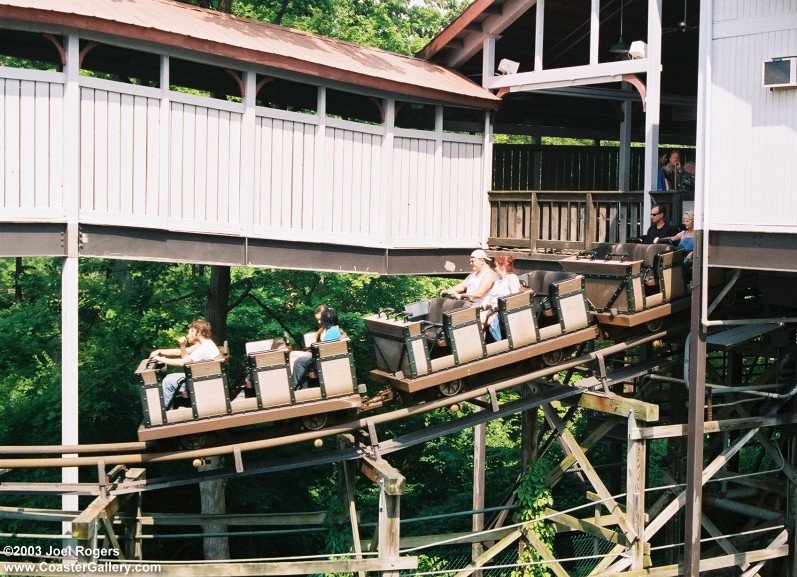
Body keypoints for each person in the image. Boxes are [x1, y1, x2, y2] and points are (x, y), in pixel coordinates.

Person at [149, 319, 221, 409]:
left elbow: (183, 362)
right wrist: (181, 346)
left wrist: (160, 359)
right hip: (203, 377)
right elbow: (185, 356)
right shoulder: (205, 344)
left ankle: (166, 412)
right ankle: (167, 408)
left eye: (191, 332)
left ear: (198, 332)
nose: (188, 335)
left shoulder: (204, 347)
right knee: (169, 377)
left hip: (202, 381)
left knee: (168, 382)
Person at [292, 307, 342, 390]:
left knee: (299, 362)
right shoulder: (333, 329)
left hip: (324, 360)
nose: (320, 322)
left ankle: (298, 388)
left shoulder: (331, 332)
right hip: (323, 357)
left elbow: (324, 350)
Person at [481, 255, 521, 341]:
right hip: (491, 309)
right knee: (474, 318)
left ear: (502, 267)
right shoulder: (498, 280)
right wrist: (484, 303)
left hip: (502, 311)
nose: (494, 268)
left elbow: (515, 297)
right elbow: (490, 295)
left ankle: (497, 343)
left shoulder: (512, 278)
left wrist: (499, 306)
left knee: (478, 320)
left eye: (496, 266)